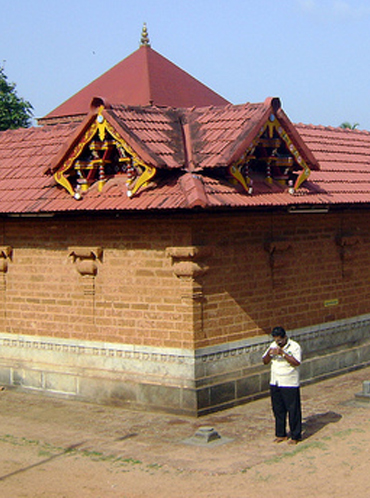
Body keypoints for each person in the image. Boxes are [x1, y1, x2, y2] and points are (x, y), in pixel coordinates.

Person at [262, 326, 302, 444]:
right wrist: (269, 354)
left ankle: (296, 435)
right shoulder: (272, 345)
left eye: (280, 340)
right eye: (276, 340)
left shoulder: (294, 346)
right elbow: (264, 361)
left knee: (293, 410)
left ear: (285, 337)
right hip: (276, 381)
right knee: (278, 409)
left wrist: (283, 354)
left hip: (289, 382)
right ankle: (281, 434)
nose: (278, 342)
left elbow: (297, 362)